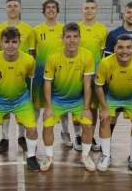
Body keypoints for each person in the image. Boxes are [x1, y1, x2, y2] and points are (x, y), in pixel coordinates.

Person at [0, 27, 40, 173]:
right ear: (1, 42)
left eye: (14, 42)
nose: (10, 45)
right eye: (7, 42)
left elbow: (29, 81)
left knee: (32, 128)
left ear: (19, 42)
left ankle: (31, 156)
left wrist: (30, 101)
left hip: (21, 100)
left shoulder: (29, 60)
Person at [40, 22, 96, 172]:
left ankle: (85, 156)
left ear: (80, 38)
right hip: (57, 100)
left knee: (88, 124)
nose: (72, 40)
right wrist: (49, 107)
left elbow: (87, 84)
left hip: (78, 100)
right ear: (62, 38)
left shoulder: (87, 56)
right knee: (47, 123)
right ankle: (49, 156)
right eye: (68, 37)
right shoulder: (53, 58)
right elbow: (47, 83)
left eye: (75, 37)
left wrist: (86, 107)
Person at [95, 34, 132, 174]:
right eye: (120, 47)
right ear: (114, 48)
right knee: (104, 120)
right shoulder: (105, 63)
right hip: (112, 96)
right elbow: (98, 86)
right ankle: (106, 156)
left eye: (128, 47)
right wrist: (104, 108)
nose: (124, 51)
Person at [103, 1, 132, 147]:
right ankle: (107, 142)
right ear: (124, 14)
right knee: (112, 116)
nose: (131, 15)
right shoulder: (113, 34)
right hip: (115, 85)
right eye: (129, 12)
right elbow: (107, 61)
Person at [0, 0, 36, 154]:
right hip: (4, 74)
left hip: (22, 74)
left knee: (22, 107)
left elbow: (32, 53)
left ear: (19, 9)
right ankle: (4, 138)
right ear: (6, 9)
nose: (12, 8)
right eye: (9, 6)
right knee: (4, 107)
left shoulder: (28, 29)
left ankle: (21, 137)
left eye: (15, 6)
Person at [74, 0, 108, 152]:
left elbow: (101, 53)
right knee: (76, 105)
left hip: (93, 74)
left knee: (92, 106)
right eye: (86, 8)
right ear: (82, 10)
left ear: (96, 10)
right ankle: (77, 136)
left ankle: (90, 135)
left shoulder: (102, 30)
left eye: (92, 8)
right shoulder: (76, 28)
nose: (89, 10)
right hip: (75, 73)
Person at [33, 0, 66, 145]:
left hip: (61, 73)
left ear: (57, 11)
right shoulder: (36, 30)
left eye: (53, 7)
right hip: (41, 73)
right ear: (44, 11)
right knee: (37, 105)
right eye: (48, 7)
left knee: (62, 104)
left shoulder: (64, 29)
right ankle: (32, 130)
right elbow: (32, 53)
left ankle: (65, 133)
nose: (51, 10)